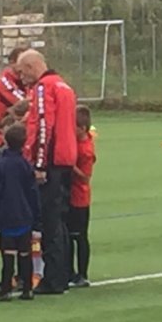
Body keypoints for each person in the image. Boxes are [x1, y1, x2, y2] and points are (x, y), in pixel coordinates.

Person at [17, 49, 78, 294]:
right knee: (61, 221)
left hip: (51, 161)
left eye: (22, 72)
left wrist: (40, 164)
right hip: (66, 158)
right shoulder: (64, 86)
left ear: (32, 67)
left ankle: (53, 279)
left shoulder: (44, 88)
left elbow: (44, 126)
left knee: (50, 222)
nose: (21, 78)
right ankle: (63, 274)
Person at [0, 124, 41, 302]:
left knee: (8, 253)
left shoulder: (1, 165)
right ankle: (27, 288)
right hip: (24, 215)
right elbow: (32, 191)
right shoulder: (25, 165)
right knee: (25, 252)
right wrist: (36, 214)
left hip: (6, 214)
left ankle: (5, 289)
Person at [68, 105, 96, 287]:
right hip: (69, 195)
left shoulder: (86, 150)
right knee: (69, 236)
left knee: (79, 236)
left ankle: (82, 274)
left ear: (83, 128)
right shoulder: (76, 141)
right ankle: (70, 272)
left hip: (79, 198)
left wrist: (70, 166)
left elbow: (85, 177)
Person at [0, 47, 29, 147]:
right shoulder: (3, 82)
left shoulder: (27, 80)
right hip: (9, 137)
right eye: (21, 62)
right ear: (12, 63)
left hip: (26, 135)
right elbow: (22, 103)